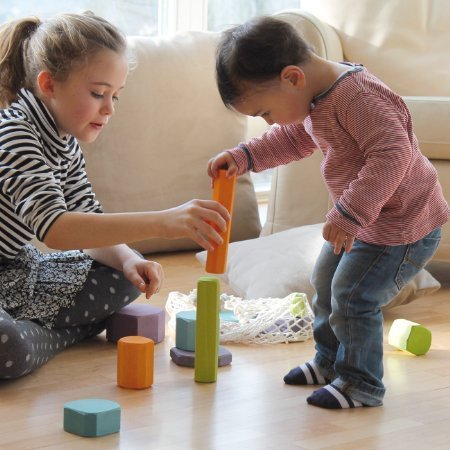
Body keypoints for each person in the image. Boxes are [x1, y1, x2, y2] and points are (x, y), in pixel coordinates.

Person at [207, 16, 450, 409]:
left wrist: (350, 213)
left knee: (353, 296)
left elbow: (393, 156)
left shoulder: (358, 98)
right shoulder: (315, 97)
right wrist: (245, 156)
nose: (269, 121)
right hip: (364, 222)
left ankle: (361, 383)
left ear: (292, 77)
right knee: (325, 280)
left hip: (402, 226)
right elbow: (293, 137)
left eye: (265, 112)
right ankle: (329, 362)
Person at [0, 11, 230, 379]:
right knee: (9, 347)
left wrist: (125, 259)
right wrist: (165, 222)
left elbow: (88, 219)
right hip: (10, 276)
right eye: (98, 94)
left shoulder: (64, 141)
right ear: (49, 84)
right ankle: (49, 336)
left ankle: (34, 332)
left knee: (125, 271)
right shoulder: (15, 134)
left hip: (13, 270)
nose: (108, 109)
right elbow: (57, 230)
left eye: (115, 96)